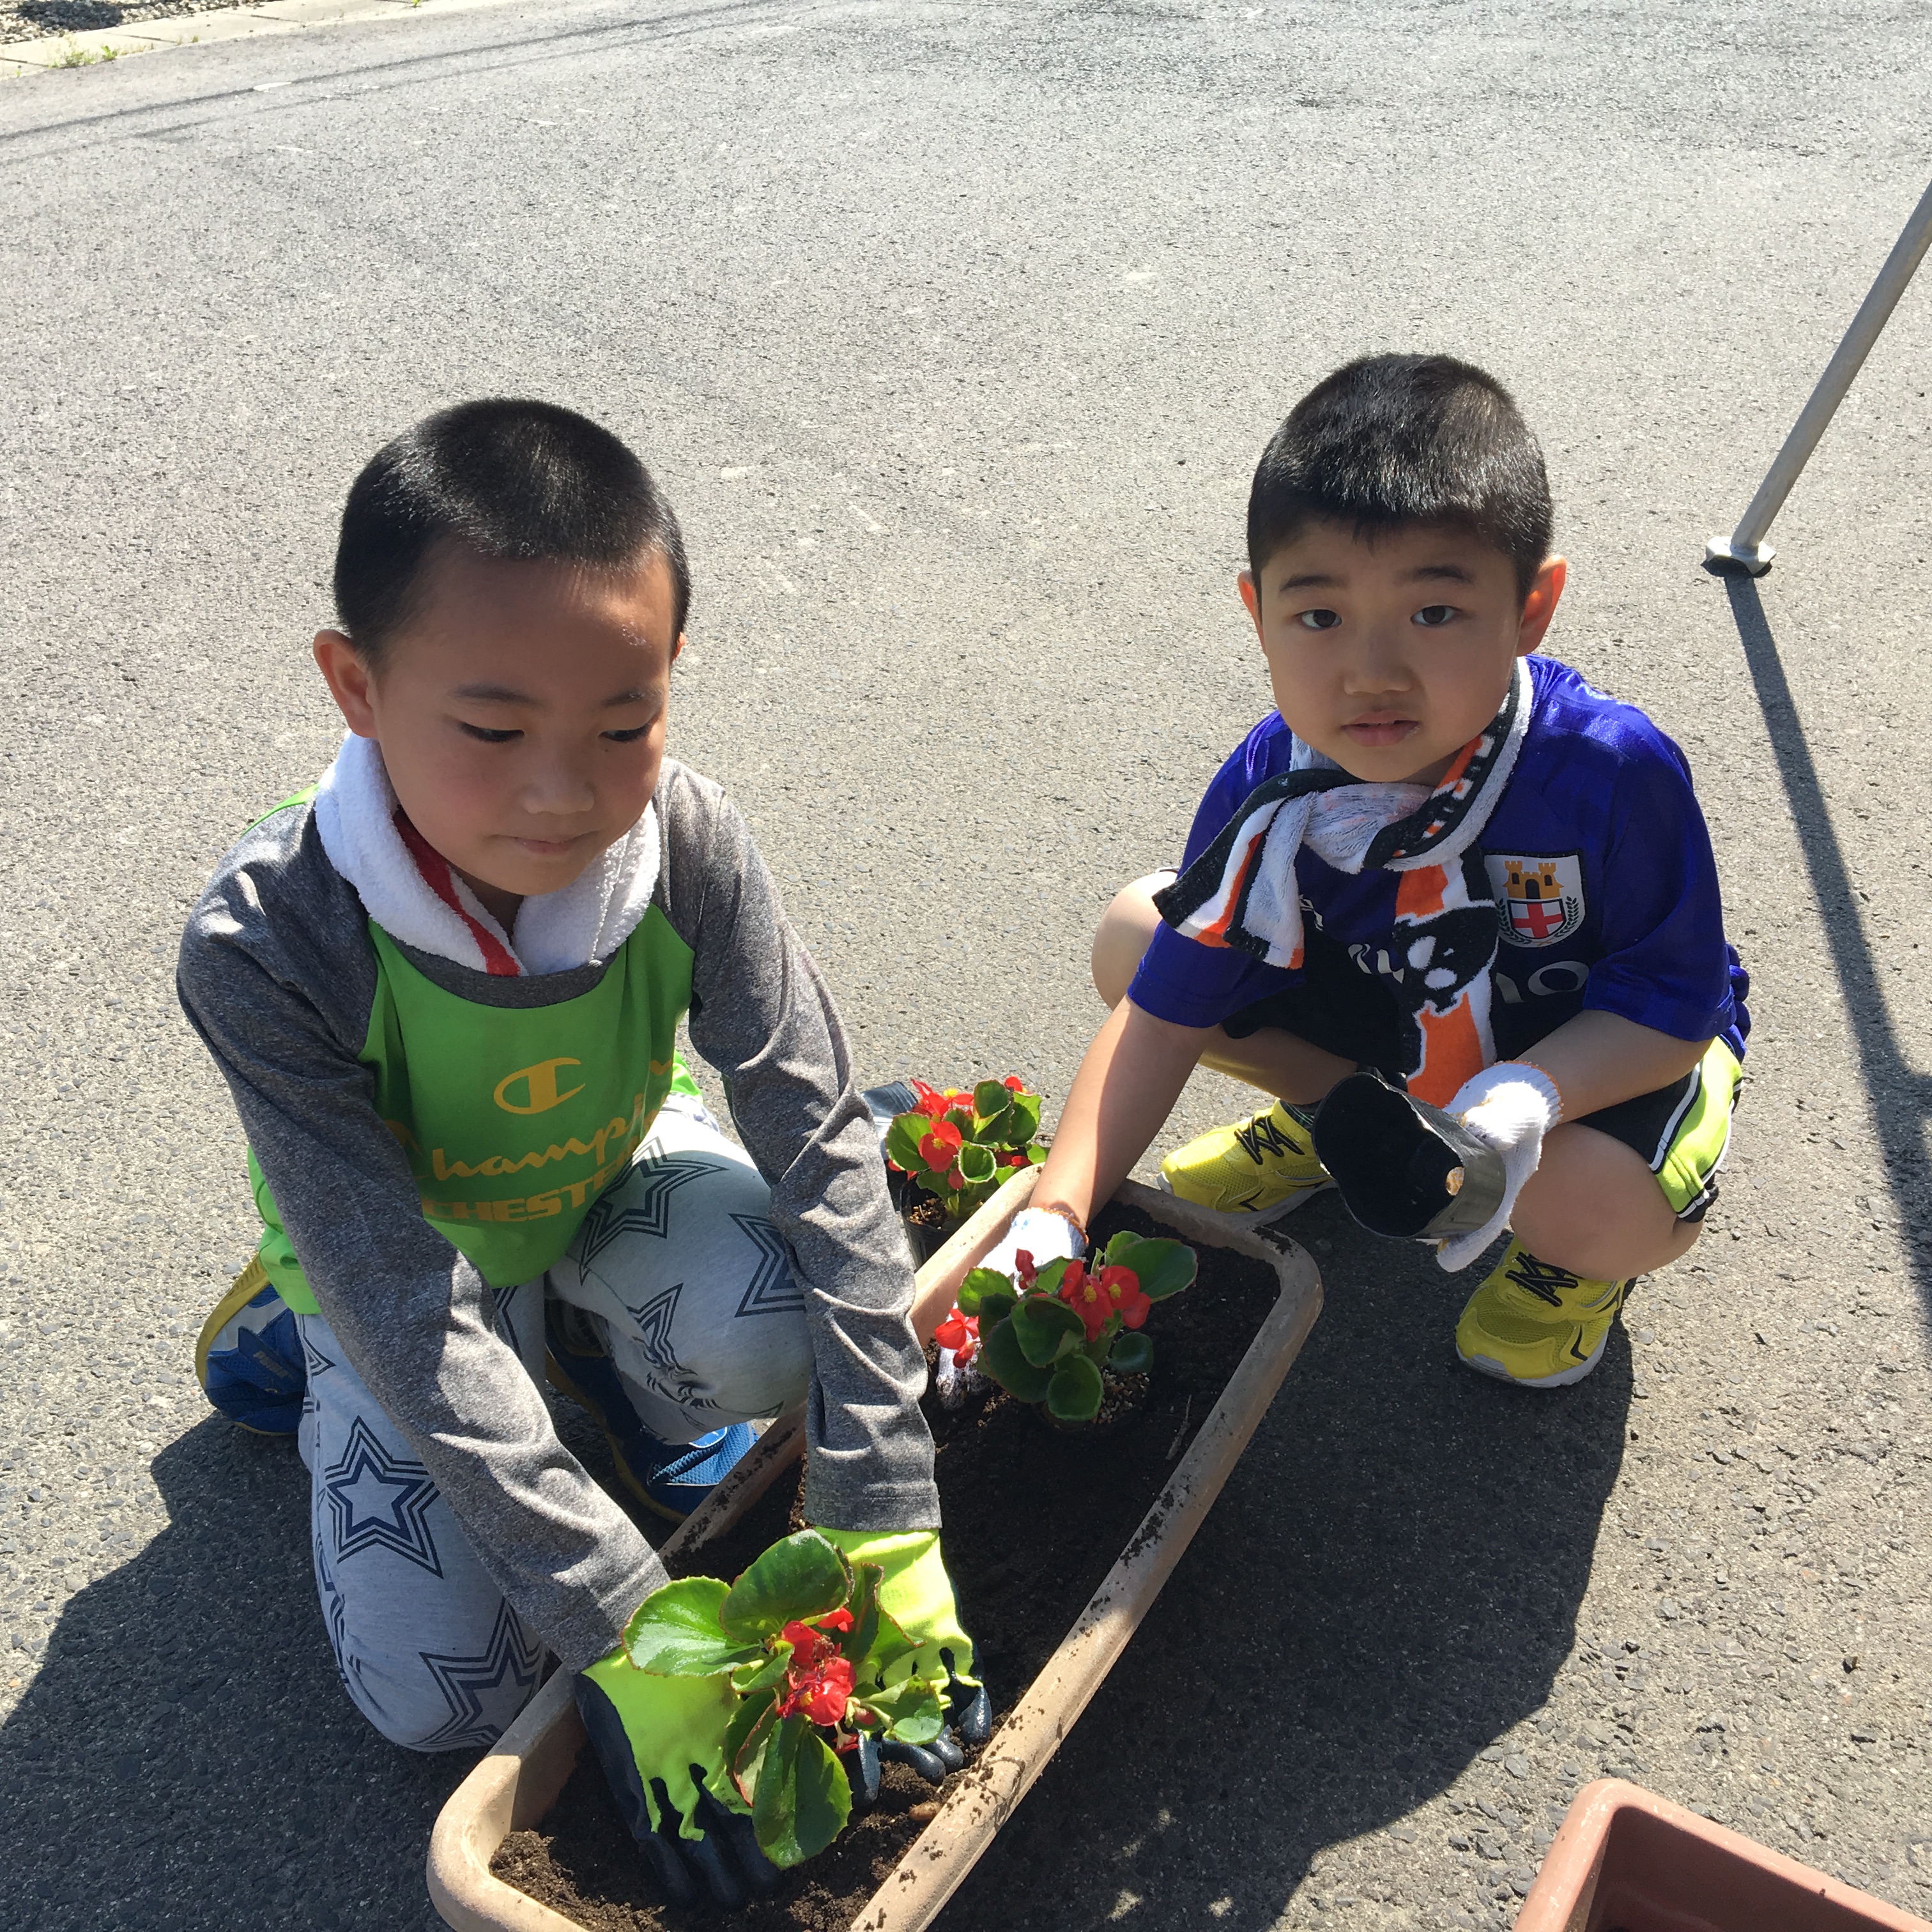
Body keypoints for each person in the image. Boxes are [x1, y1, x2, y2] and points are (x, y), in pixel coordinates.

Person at [178, 399, 976, 1905]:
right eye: (491, 730)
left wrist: (887, 1496)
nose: (565, 792)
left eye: (625, 723)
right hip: (398, 1267)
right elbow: (413, 1308)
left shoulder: (687, 843)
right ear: (355, 685)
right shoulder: (270, 938)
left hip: (597, 1180)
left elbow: (814, 1130)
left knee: (775, 1324)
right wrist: (622, 1616)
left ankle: (593, 1369)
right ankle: (293, 1338)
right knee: (443, 1698)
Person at [993, 353, 1747, 1389]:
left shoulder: (1610, 770)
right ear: (1257, 612)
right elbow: (1164, 1014)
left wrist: (1529, 1097)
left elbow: (1671, 1006)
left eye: (1435, 613)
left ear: (1532, 607)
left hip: (1591, 1053)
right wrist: (1054, 1215)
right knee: (1139, 936)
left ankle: (1573, 1270)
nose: (1372, 673)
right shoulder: (1275, 783)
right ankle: (1343, 1128)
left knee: (1595, 1206)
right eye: (1319, 616)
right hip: (1406, 1020)